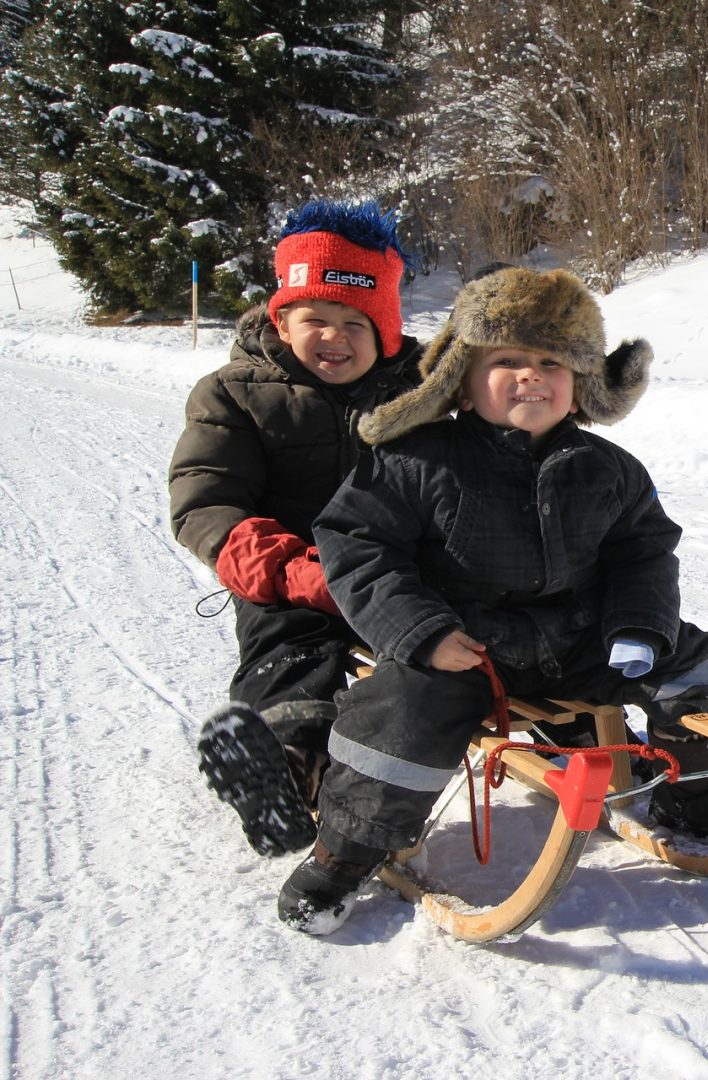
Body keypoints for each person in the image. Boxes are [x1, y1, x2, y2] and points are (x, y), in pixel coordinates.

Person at [278, 266, 708, 934]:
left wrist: (640, 626)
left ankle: (689, 800)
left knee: (693, 660)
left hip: (578, 639)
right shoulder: (419, 457)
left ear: (579, 383)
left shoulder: (608, 469)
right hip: (463, 646)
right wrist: (421, 631)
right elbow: (357, 542)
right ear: (462, 377)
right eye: (507, 360)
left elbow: (643, 550)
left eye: (551, 361)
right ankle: (345, 850)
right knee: (400, 712)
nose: (531, 375)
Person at [169, 200, 423, 858]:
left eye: (354, 323)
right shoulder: (236, 395)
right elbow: (206, 500)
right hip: (293, 574)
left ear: (387, 332)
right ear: (283, 320)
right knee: (290, 646)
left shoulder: (420, 395)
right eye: (316, 319)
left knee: (501, 626)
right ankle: (282, 765)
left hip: (399, 572)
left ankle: (583, 737)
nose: (333, 337)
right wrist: (287, 570)